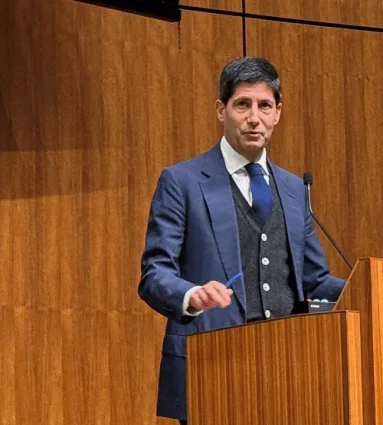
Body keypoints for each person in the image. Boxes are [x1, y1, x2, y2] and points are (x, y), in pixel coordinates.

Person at [137, 56, 346, 424]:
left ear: (277, 113)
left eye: (264, 105)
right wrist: (191, 295)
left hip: (291, 370)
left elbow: (313, 281)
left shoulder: (294, 190)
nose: (254, 117)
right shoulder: (182, 182)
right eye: (242, 105)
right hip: (214, 367)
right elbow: (154, 274)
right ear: (222, 110)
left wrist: (370, 287)